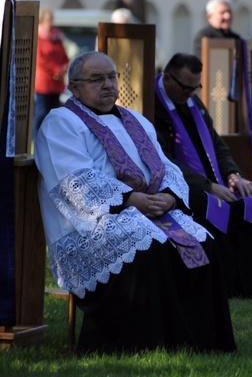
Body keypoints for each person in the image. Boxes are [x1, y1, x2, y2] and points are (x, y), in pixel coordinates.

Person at [34, 51, 236, 354]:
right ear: (74, 87)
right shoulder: (61, 123)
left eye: (111, 77)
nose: (107, 85)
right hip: (92, 222)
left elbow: (168, 167)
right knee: (150, 249)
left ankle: (200, 341)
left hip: (149, 210)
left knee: (202, 241)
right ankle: (147, 342)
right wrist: (130, 199)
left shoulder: (136, 120)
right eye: (96, 79)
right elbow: (73, 181)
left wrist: (169, 196)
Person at [154, 53, 252, 298]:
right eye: (186, 87)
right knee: (206, 204)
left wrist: (234, 175)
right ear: (168, 79)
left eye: (196, 87)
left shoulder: (193, 101)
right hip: (181, 185)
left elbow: (217, 146)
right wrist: (208, 186)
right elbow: (164, 160)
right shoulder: (152, 107)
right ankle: (230, 286)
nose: (191, 93)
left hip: (216, 181)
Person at [33, 8, 69, 139]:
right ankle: (37, 138)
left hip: (56, 82)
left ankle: (51, 138)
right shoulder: (38, 37)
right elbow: (40, 59)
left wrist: (64, 68)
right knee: (41, 112)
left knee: (54, 113)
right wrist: (56, 70)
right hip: (44, 82)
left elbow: (64, 55)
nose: (50, 22)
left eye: (51, 20)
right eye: (48, 20)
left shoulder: (56, 37)